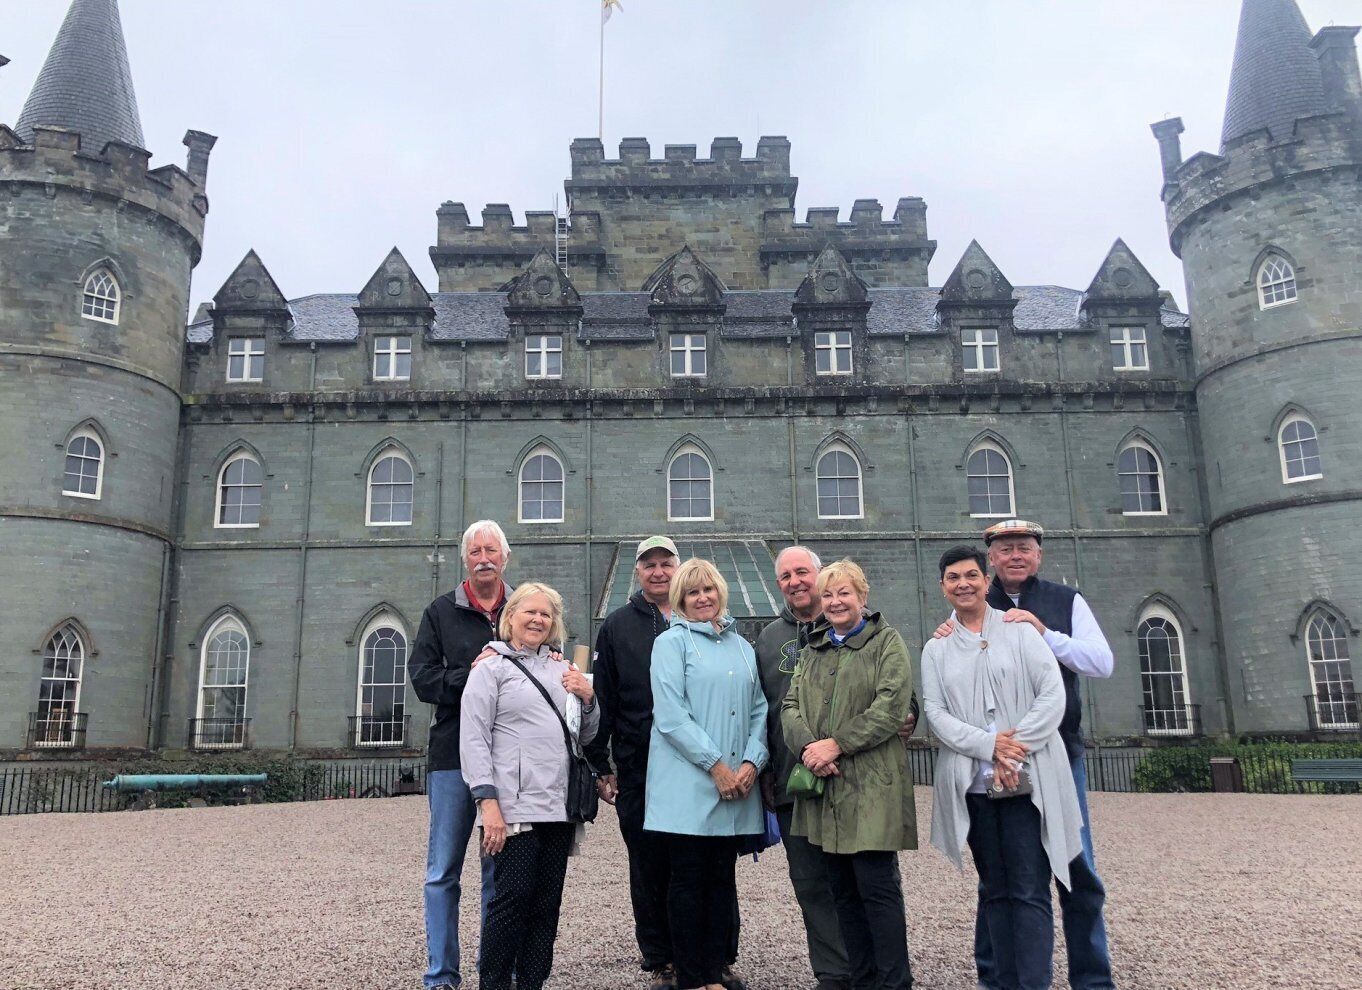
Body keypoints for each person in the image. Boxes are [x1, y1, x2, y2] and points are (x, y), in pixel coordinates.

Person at [935, 520, 1116, 990]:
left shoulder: (1065, 600)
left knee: (1073, 864)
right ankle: (995, 976)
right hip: (984, 764)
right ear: (991, 560)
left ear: (1038, 554)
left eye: (1025, 548)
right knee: (998, 879)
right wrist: (991, 748)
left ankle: (1091, 978)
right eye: (1005, 548)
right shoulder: (971, 609)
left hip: (1054, 752)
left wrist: (1045, 632)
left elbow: (1101, 663)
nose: (1016, 555)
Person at [781, 559, 916, 990]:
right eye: (828, 595)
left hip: (871, 786)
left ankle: (893, 982)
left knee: (877, 890)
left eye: (844, 593)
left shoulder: (887, 642)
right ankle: (862, 979)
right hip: (825, 787)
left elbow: (891, 706)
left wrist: (835, 744)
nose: (836, 602)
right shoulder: (814, 647)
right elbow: (790, 706)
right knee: (841, 892)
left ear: (862, 596)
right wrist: (808, 748)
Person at [460, 582, 599, 990]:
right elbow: (473, 738)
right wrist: (487, 804)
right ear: (511, 617)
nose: (538, 620)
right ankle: (495, 983)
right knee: (510, 903)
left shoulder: (563, 670)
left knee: (545, 907)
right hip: (513, 809)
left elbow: (584, 736)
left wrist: (589, 699)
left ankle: (532, 983)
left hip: (558, 807)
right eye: (530, 612)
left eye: (546, 614)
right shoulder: (489, 668)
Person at [645, 558, 769, 990]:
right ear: (680, 599)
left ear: (721, 593)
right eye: (693, 592)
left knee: (721, 881)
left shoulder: (742, 645)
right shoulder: (671, 644)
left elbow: (759, 709)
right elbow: (671, 716)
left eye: (709, 590)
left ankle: (715, 968)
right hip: (691, 785)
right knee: (688, 881)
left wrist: (753, 762)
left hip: (736, 784)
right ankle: (692, 977)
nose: (703, 598)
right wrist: (715, 766)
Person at [409, 519, 514, 990]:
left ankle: (494, 973)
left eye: (491, 549)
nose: (484, 558)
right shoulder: (439, 613)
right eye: (476, 551)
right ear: (465, 559)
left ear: (505, 558)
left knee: (501, 875)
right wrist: (471, 677)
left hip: (508, 761)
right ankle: (441, 976)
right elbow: (423, 679)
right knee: (443, 871)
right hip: (452, 757)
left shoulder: (524, 608)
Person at [754, 547, 853, 990]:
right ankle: (833, 974)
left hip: (854, 779)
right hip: (793, 782)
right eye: (785, 576)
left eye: (802, 572)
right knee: (811, 884)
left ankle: (872, 968)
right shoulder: (770, 639)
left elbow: (894, 691)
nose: (795, 582)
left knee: (861, 880)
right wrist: (764, 772)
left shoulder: (856, 623)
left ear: (820, 574)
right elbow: (760, 710)